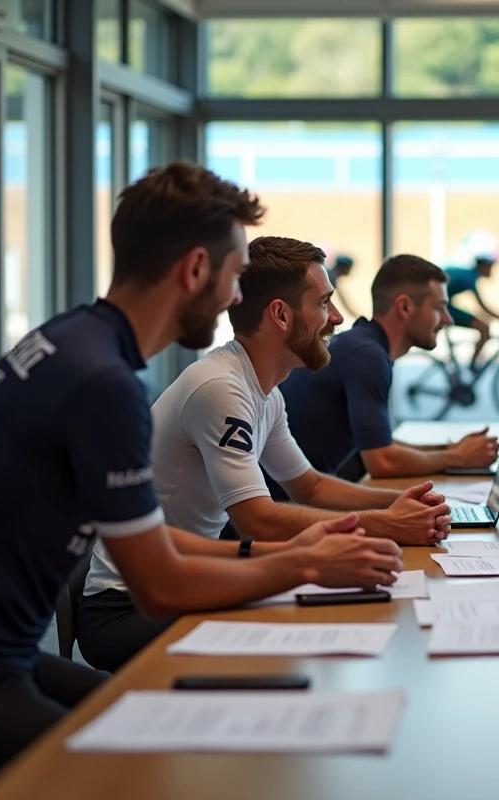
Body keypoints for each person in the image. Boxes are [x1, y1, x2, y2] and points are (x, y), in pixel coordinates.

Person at [0, 163, 402, 799]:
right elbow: (159, 579)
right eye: (230, 275)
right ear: (195, 270)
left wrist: (291, 551)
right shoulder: (104, 385)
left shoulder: (74, 342)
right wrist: (303, 563)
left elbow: (156, 546)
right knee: (149, 779)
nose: (234, 298)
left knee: (176, 737)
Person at [78, 236, 452, 673]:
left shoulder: (264, 391)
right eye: (325, 303)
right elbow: (257, 519)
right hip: (127, 606)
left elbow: (308, 484)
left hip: (192, 579)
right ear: (280, 314)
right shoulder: (220, 388)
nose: (337, 317)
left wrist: (399, 505)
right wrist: (382, 524)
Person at [279, 254, 499, 478]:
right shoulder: (367, 356)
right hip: (287, 504)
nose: (448, 319)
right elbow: (382, 461)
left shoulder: (362, 344)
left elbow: (377, 440)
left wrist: (452, 450)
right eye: (439, 308)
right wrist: (458, 458)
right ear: (404, 307)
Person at [445, 247, 499, 371]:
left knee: (483, 326)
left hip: (442, 305)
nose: (492, 271)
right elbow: (482, 307)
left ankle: (470, 365)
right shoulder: (470, 278)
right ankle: (473, 364)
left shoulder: (468, 274)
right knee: (484, 329)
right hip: (442, 307)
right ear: (483, 266)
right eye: (490, 267)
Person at [327, 253, 358, 318]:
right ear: (344, 267)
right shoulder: (330, 278)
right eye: (350, 267)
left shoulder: (332, 277)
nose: (351, 270)